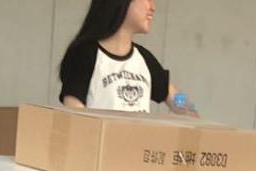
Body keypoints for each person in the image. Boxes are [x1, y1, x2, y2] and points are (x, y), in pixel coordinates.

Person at [59, 0, 187, 114]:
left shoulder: (144, 59)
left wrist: (191, 112)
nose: (153, 7)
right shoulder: (84, 55)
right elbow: (75, 116)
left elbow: (176, 97)